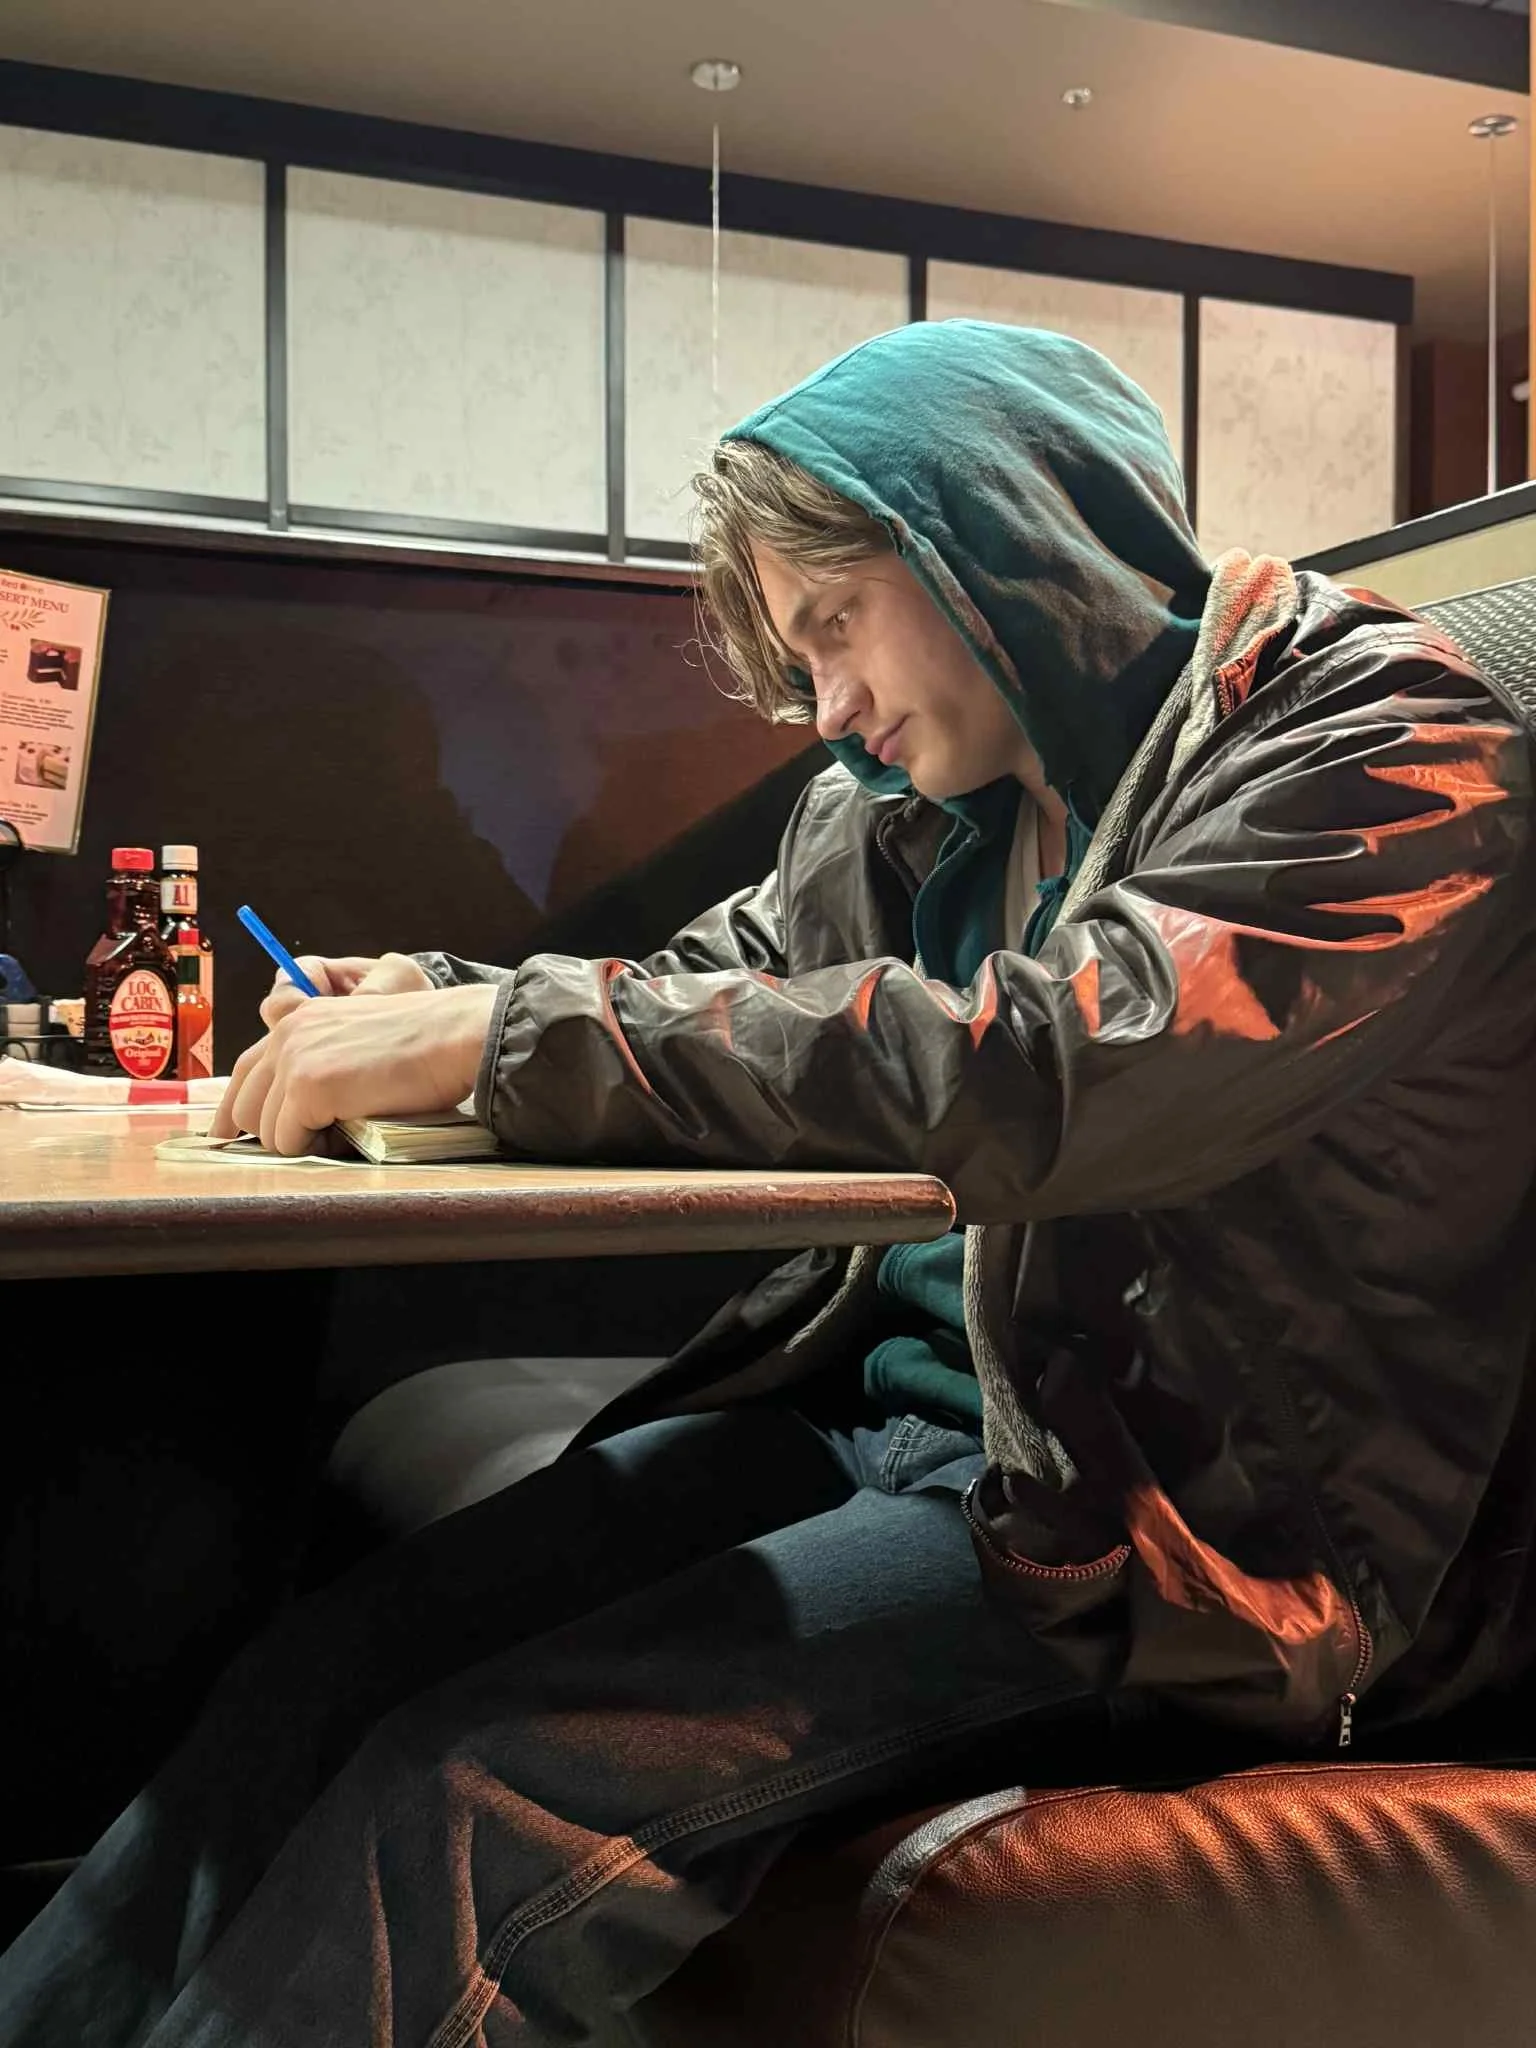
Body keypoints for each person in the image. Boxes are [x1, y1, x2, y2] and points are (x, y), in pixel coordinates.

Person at [5, 318, 1536, 2047]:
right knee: (325, 1670)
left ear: (1002, 533)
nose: (828, 706)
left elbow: (1064, 1056)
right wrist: (433, 1000)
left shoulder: (1386, 738)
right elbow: (698, 998)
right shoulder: (894, 806)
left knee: (482, 1792)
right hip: (877, 1429)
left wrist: (509, 1036)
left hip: (1164, 1525)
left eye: (834, 622)